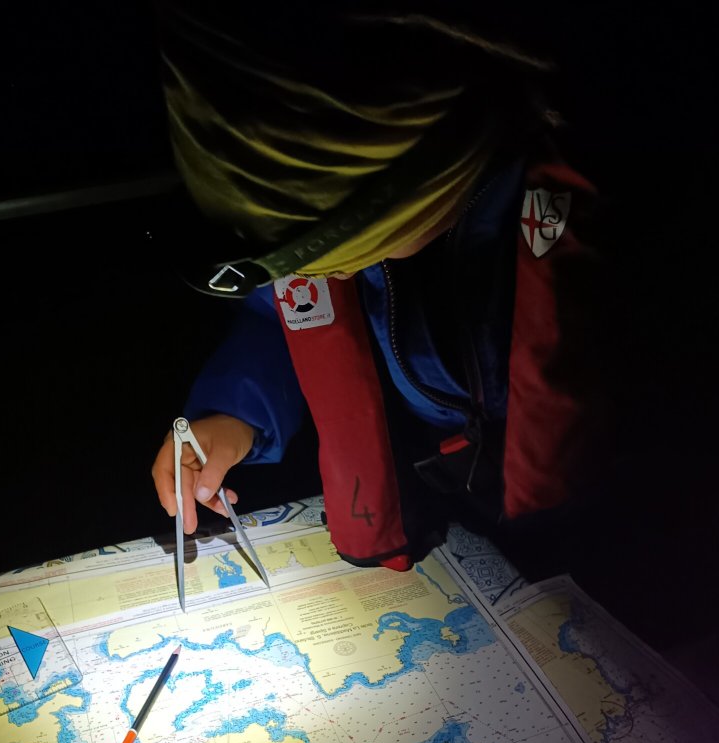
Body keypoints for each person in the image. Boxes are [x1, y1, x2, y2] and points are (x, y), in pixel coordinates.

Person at [149, 3, 626, 577]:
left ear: (432, 170)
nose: (333, 276)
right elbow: (283, 314)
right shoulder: (333, 207)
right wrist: (234, 416)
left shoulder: (605, 194)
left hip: (600, 513)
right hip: (432, 486)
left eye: (340, 253)